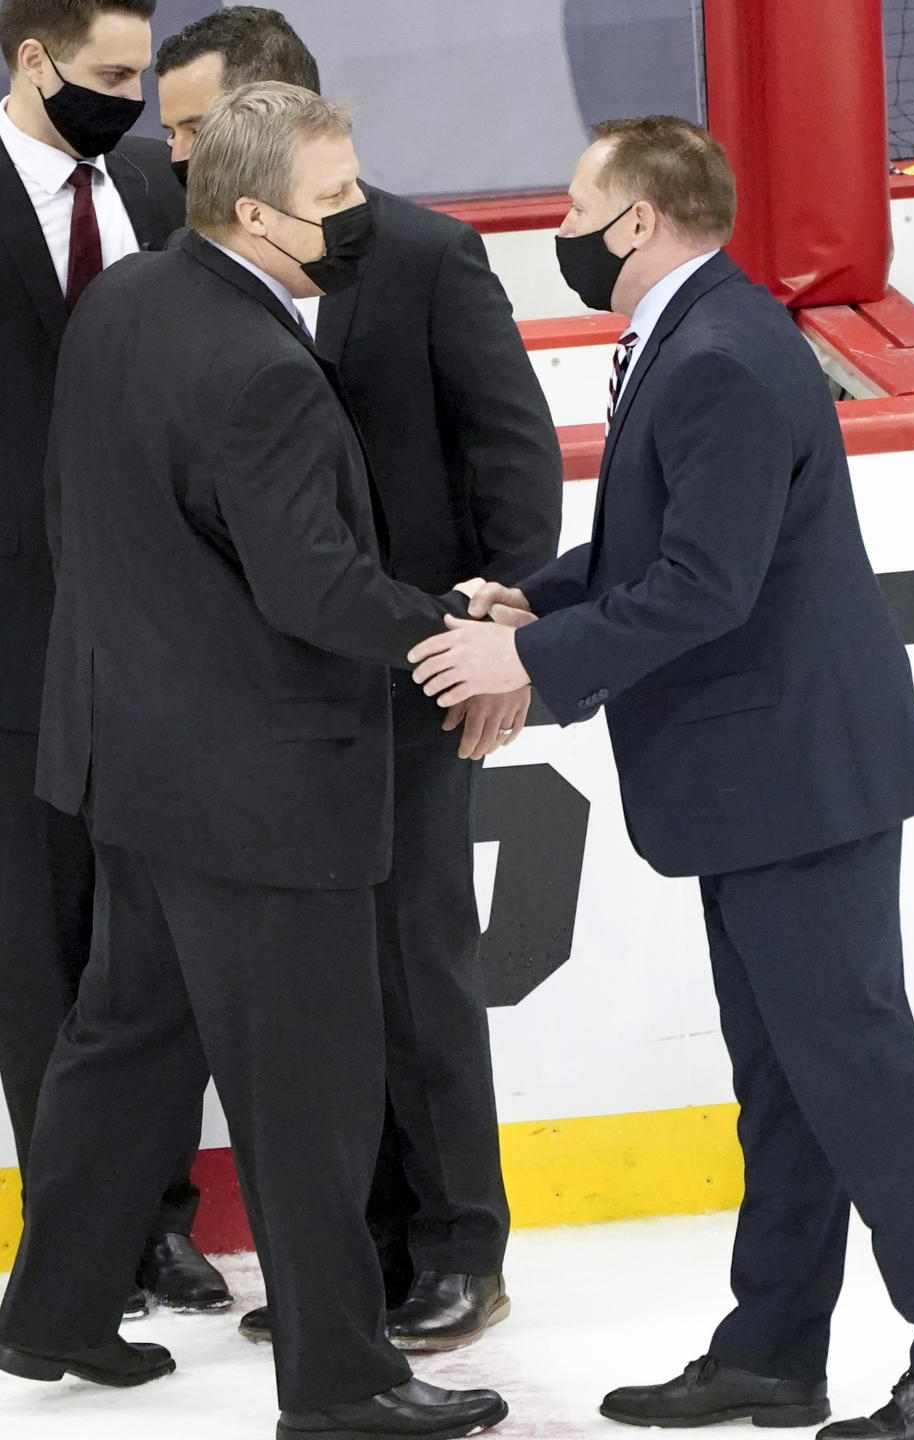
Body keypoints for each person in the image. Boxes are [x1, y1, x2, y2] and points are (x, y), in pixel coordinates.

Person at [408, 115, 914, 1440]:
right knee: (788, 1080)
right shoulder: (701, 335)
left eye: (582, 211)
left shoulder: (715, 352)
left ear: (639, 220)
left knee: (855, 1072)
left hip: (795, 783)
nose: (566, 234)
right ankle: (771, 1346)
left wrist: (524, 668)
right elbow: (655, 549)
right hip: (768, 782)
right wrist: (527, 604)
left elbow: (703, 589)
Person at [0, 82, 509, 1440]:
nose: (356, 217)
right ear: (248, 210)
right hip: (264, 791)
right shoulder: (262, 367)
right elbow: (319, 590)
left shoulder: (124, 303)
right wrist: (449, 622)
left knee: (123, 1052)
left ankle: (50, 1313)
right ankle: (341, 1386)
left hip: (134, 764)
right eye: (332, 200)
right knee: (312, 1095)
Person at [155, 5, 563, 1352]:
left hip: (413, 676)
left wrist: (498, 642)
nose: (183, 153)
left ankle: (460, 1247)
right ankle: (364, 1255)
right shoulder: (197, 269)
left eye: (203, 127)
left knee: (418, 971)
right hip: (277, 700)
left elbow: (514, 463)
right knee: (330, 991)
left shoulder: (436, 257)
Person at [0, 0, 229, 1319]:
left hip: (170, 637)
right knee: (41, 953)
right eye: (110, 75)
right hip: (17, 645)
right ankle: (74, 1231)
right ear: (32, 62)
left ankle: (163, 1220)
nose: (137, 102)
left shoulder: (157, 183)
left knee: (159, 944)